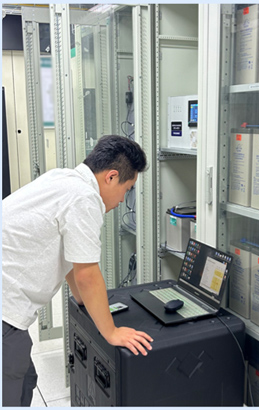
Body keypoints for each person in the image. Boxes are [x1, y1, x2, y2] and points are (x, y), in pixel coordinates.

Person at [2, 135, 154, 406]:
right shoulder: (84, 197)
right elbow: (86, 273)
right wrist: (111, 332)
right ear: (111, 177)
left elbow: (71, 257)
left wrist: (84, 299)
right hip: (5, 312)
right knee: (11, 390)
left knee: (25, 379)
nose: (123, 200)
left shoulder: (62, 179)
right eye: (127, 189)